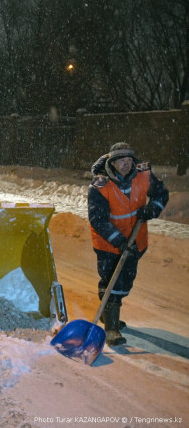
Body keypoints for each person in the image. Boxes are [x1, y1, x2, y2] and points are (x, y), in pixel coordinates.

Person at [88, 142, 169, 346]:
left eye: (129, 159)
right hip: (109, 245)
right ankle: (111, 329)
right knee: (113, 281)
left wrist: (152, 209)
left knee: (125, 282)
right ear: (112, 163)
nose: (127, 164)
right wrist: (119, 240)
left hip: (135, 242)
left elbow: (161, 194)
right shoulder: (100, 186)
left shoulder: (143, 175)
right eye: (122, 160)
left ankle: (108, 312)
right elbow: (98, 220)